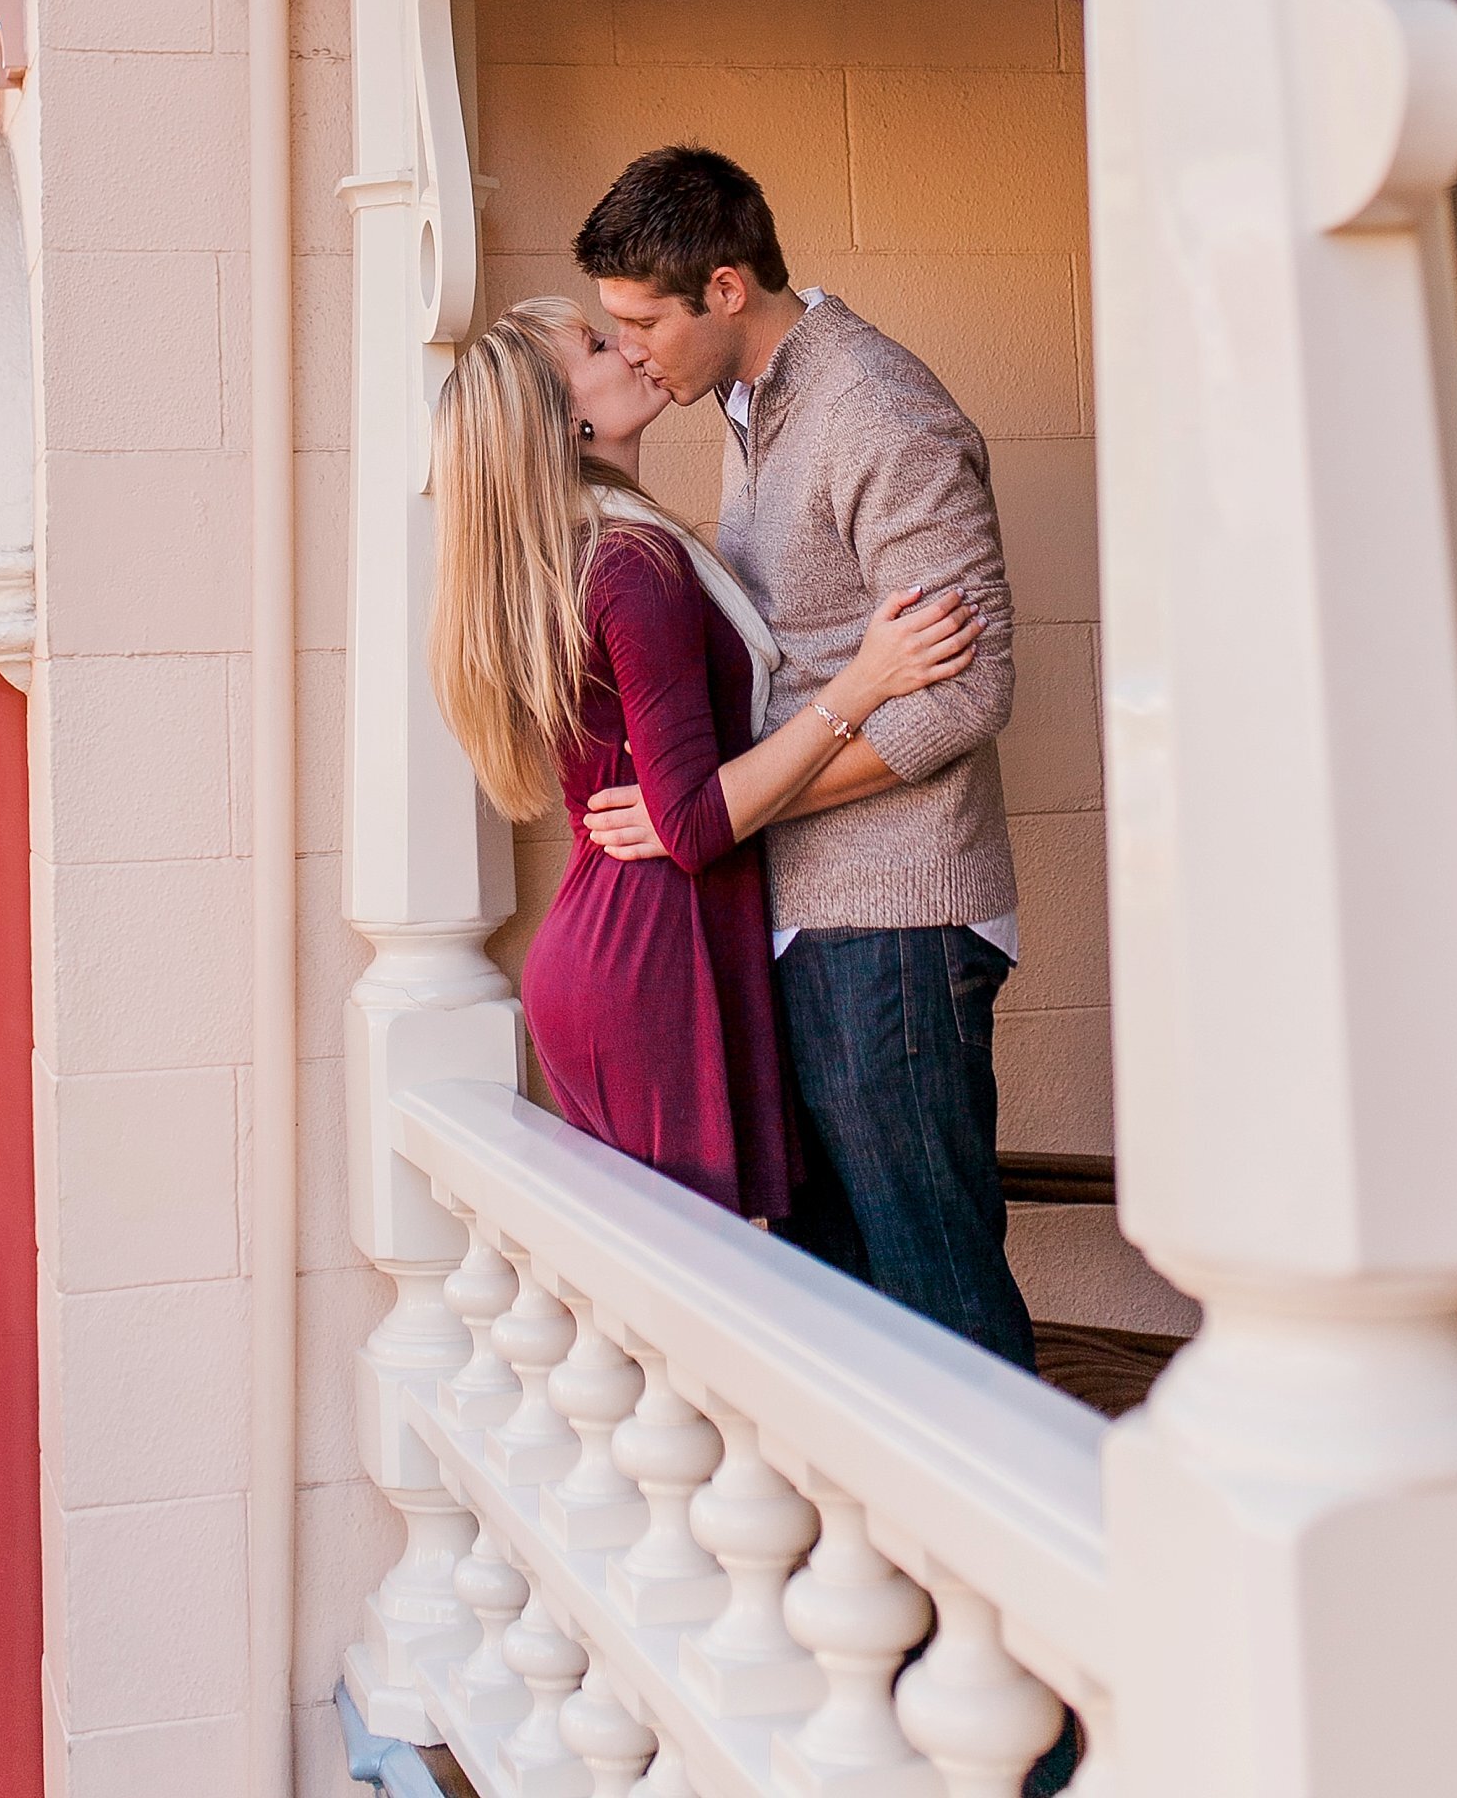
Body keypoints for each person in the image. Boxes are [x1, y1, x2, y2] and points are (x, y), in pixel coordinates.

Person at [575, 146, 1037, 1370]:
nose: (628, 355)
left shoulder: (875, 411)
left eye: (641, 325)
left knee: (937, 1305)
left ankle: (992, 1557)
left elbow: (967, 693)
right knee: (848, 1310)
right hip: (814, 920)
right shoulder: (748, 408)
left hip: (896, 924)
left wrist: (725, 809)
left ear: (724, 290)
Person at [428, 295, 981, 1219]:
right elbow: (687, 825)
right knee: (686, 1297)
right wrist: (867, 680)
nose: (632, 349)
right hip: (648, 957)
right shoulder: (631, 564)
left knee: (680, 1293)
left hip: (620, 946)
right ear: (573, 419)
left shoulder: (586, 553)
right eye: (600, 346)